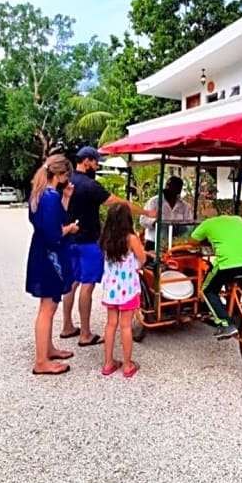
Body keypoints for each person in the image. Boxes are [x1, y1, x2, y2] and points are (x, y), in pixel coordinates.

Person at [59, 146, 155, 348]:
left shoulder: (67, 182)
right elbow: (118, 204)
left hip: (70, 240)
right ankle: (85, 334)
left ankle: (67, 326)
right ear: (86, 161)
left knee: (72, 282)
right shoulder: (91, 185)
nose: (96, 166)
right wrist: (145, 212)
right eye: (95, 162)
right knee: (87, 285)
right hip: (87, 241)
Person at [25, 154, 80, 375]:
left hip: (41, 253)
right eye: (66, 174)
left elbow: (54, 221)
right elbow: (54, 233)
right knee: (47, 309)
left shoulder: (39, 194)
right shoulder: (48, 197)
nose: (67, 179)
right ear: (60, 174)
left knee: (48, 306)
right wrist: (70, 229)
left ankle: (47, 349)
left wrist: (66, 198)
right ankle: (41, 362)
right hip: (50, 257)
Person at [188, 213, 242, 339]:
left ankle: (226, 323)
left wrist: (207, 239)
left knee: (207, 289)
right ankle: (235, 313)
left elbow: (191, 241)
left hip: (228, 263)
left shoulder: (207, 223)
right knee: (235, 281)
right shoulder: (238, 220)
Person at [99, 203, 147, 378]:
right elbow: (142, 258)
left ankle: (108, 363)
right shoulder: (131, 239)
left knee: (111, 324)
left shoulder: (105, 238)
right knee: (125, 326)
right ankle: (127, 365)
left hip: (111, 288)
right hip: (127, 288)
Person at [139, 175, 192, 251]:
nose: (168, 189)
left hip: (175, 245)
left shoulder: (184, 206)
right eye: (168, 186)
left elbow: (189, 223)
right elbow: (143, 220)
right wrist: (155, 223)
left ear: (179, 190)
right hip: (154, 243)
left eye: (173, 187)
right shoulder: (154, 202)